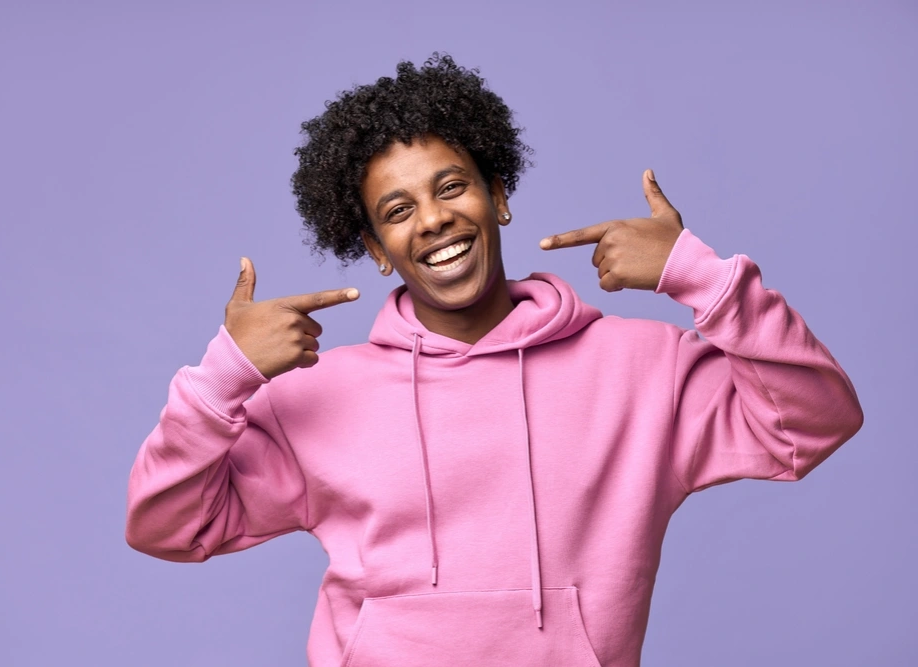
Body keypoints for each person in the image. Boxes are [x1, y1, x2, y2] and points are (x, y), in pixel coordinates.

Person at [125, 53, 863, 667]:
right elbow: (166, 525)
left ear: (497, 196)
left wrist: (698, 274)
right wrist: (225, 374)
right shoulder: (322, 396)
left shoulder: (642, 368)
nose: (435, 218)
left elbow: (814, 421)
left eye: (452, 186)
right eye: (398, 209)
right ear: (378, 251)